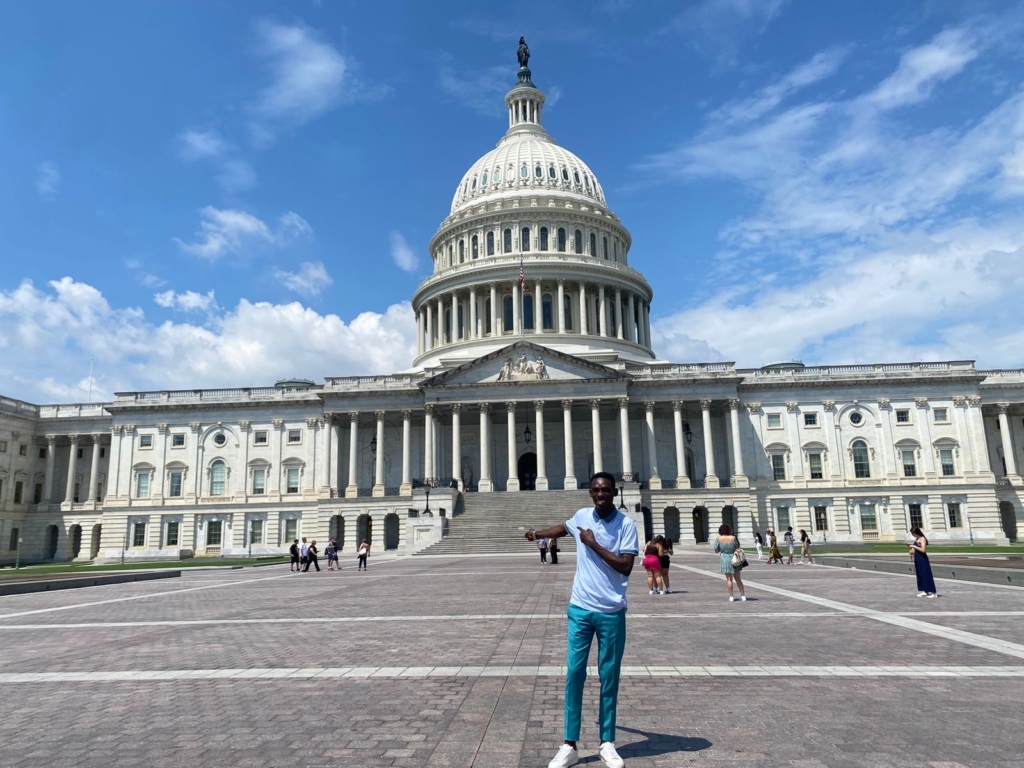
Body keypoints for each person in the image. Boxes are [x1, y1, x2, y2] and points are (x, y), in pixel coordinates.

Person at [525, 472, 638, 768]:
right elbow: (562, 529)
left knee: (609, 676)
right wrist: (537, 534)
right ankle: (569, 744)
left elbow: (626, 566)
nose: (601, 494)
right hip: (580, 608)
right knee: (574, 673)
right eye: (596, 489)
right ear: (590, 492)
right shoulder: (581, 515)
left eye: (606, 490)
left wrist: (592, 543)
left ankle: (607, 742)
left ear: (614, 492)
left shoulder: (626, 525)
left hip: (611, 611)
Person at [713, 524, 746, 602]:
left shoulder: (718, 539)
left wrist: (723, 549)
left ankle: (731, 596)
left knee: (729, 579)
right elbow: (737, 547)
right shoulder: (734, 538)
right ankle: (743, 595)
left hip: (725, 559)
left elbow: (716, 550)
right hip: (735, 558)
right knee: (738, 579)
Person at [909, 527, 937, 598]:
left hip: (922, 559)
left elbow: (923, 550)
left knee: (926, 574)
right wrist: (911, 551)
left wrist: (914, 546)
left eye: (913, 533)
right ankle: (925, 590)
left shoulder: (922, 538)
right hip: (917, 558)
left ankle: (933, 592)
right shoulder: (917, 539)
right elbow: (914, 549)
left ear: (917, 532)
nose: (913, 535)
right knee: (920, 575)